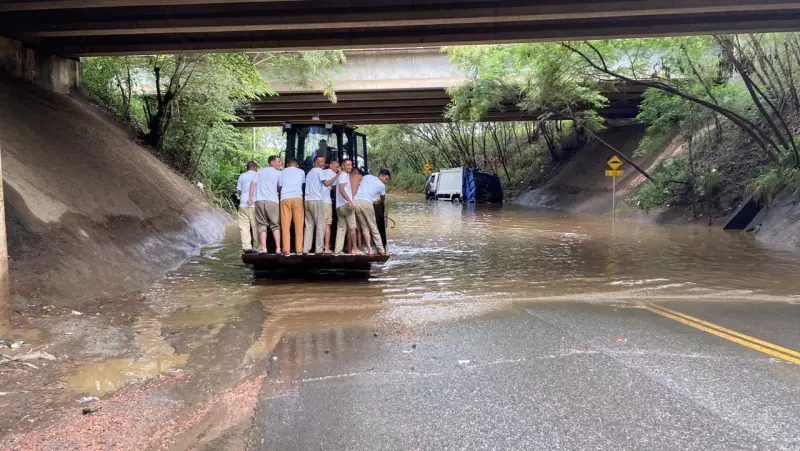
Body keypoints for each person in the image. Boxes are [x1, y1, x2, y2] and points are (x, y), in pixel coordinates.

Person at [249, 155, 282, 254]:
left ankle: (263, 248)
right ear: (272, 162)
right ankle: (278, 248)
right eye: (278, 161)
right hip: (272, 201)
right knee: (275, 225)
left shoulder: (260, 171)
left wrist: (250, 197)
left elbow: (253, 183)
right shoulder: (279, 173)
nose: (280, 163)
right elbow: (280, 187)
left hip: (259, 201)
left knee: (262, 224)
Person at [354, 169, 391, 256]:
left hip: (356, 202)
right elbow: (383, 198)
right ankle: (381, 250)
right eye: (386, 179)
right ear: (381, 176)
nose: (386, 181)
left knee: (364, 227)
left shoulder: (367, 177)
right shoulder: (381, 185)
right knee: (373, 227)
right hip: (367, 203)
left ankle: (369, 249)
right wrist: (381, 204)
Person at [278, 158, 306, 255]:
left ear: (288, 164)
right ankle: (299, 250)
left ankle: (286, 250)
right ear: (297, 164)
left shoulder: (282, 172)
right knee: (299, 225)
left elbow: (280, 186)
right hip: (297, 198)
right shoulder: (301, 172)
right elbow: (302, 185)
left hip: (285, 198)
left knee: (285, 225)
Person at [302, 156, 329, 255]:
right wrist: (337, 176)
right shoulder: (319, 171)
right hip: (316, 200)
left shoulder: (309, 173)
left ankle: (306, 249)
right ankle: (319, 249)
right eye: (320, 162)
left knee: (309, 226)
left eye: (323, 161)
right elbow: (326, 184)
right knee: (320, 225)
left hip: (307, 200)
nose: (323, 163)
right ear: (315, 163)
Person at [334, 159, 361, 255]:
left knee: (341, 229)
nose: (350, 167)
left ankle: (337, 250)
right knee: (352, 228)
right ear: (343, 165)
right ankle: (355, 249)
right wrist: (349, 201)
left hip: (339, 206)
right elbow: (341, 190)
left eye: (351, 165)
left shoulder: (340, 175)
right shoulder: (344, 175)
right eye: (348, 165)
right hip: (346, 205)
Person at [236, 161, 259, 253]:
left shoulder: (242, 176)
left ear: (247, 167)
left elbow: (239, 190)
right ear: (255, 167)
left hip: (243, 204)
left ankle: (247, 247)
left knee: (244, 227)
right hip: (255, 204)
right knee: (255, 226)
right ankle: (257, 247)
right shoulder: (258, 175)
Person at [321, 160, 340, 254]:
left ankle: (318, 246)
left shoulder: (321, 172)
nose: (337, 169)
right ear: (331, 166)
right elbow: (336, 191)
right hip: (326, 202)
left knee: (318, 224)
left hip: (317, 201)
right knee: (327, 225)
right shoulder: (334, 175)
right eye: (336, 167)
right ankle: (327, 247)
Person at [348, 166, 364, 253]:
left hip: (348, 203)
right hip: (357, 203)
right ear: (357, 172)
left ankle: (350, 250)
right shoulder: (360, 177)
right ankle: (359, 249)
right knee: (358, 229)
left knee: (349, 229)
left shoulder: (346, 177)